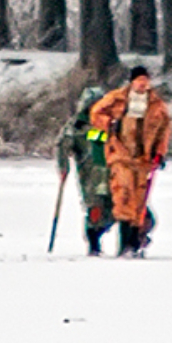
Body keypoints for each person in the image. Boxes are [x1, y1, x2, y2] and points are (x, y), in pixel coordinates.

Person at [90, 66, 171, 258]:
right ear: (132, 82)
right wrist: (109, 123)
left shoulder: (157, 105)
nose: (142, 84)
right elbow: (96, 113)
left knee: (139, 201)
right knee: (123, 195)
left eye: (145, 80)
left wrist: (159, 153)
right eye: (139, 80)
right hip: (120, 155)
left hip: (144, 159)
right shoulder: (116, 98)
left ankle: (134, 244)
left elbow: (164, 131)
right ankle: (124, 242)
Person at [56, 86, 115, 256]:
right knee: (95, 208)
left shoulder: (112, 123)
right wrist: (63, 166)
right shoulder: (77, 125)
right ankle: (94, 244)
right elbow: (63, 145)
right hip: (90, 175)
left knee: (118, 208)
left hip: (114, 172)